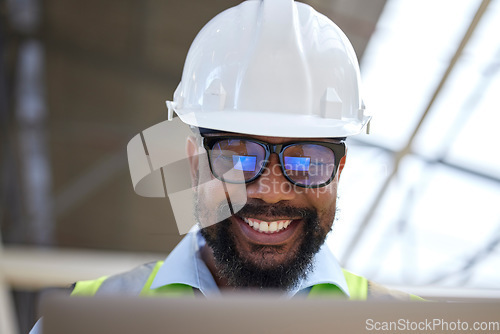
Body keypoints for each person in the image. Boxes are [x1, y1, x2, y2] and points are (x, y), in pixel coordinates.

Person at [31, 0, 420, 332]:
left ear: (339, 170)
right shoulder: (91, 320)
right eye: (237, 158)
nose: (270, 189)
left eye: (305, 161)